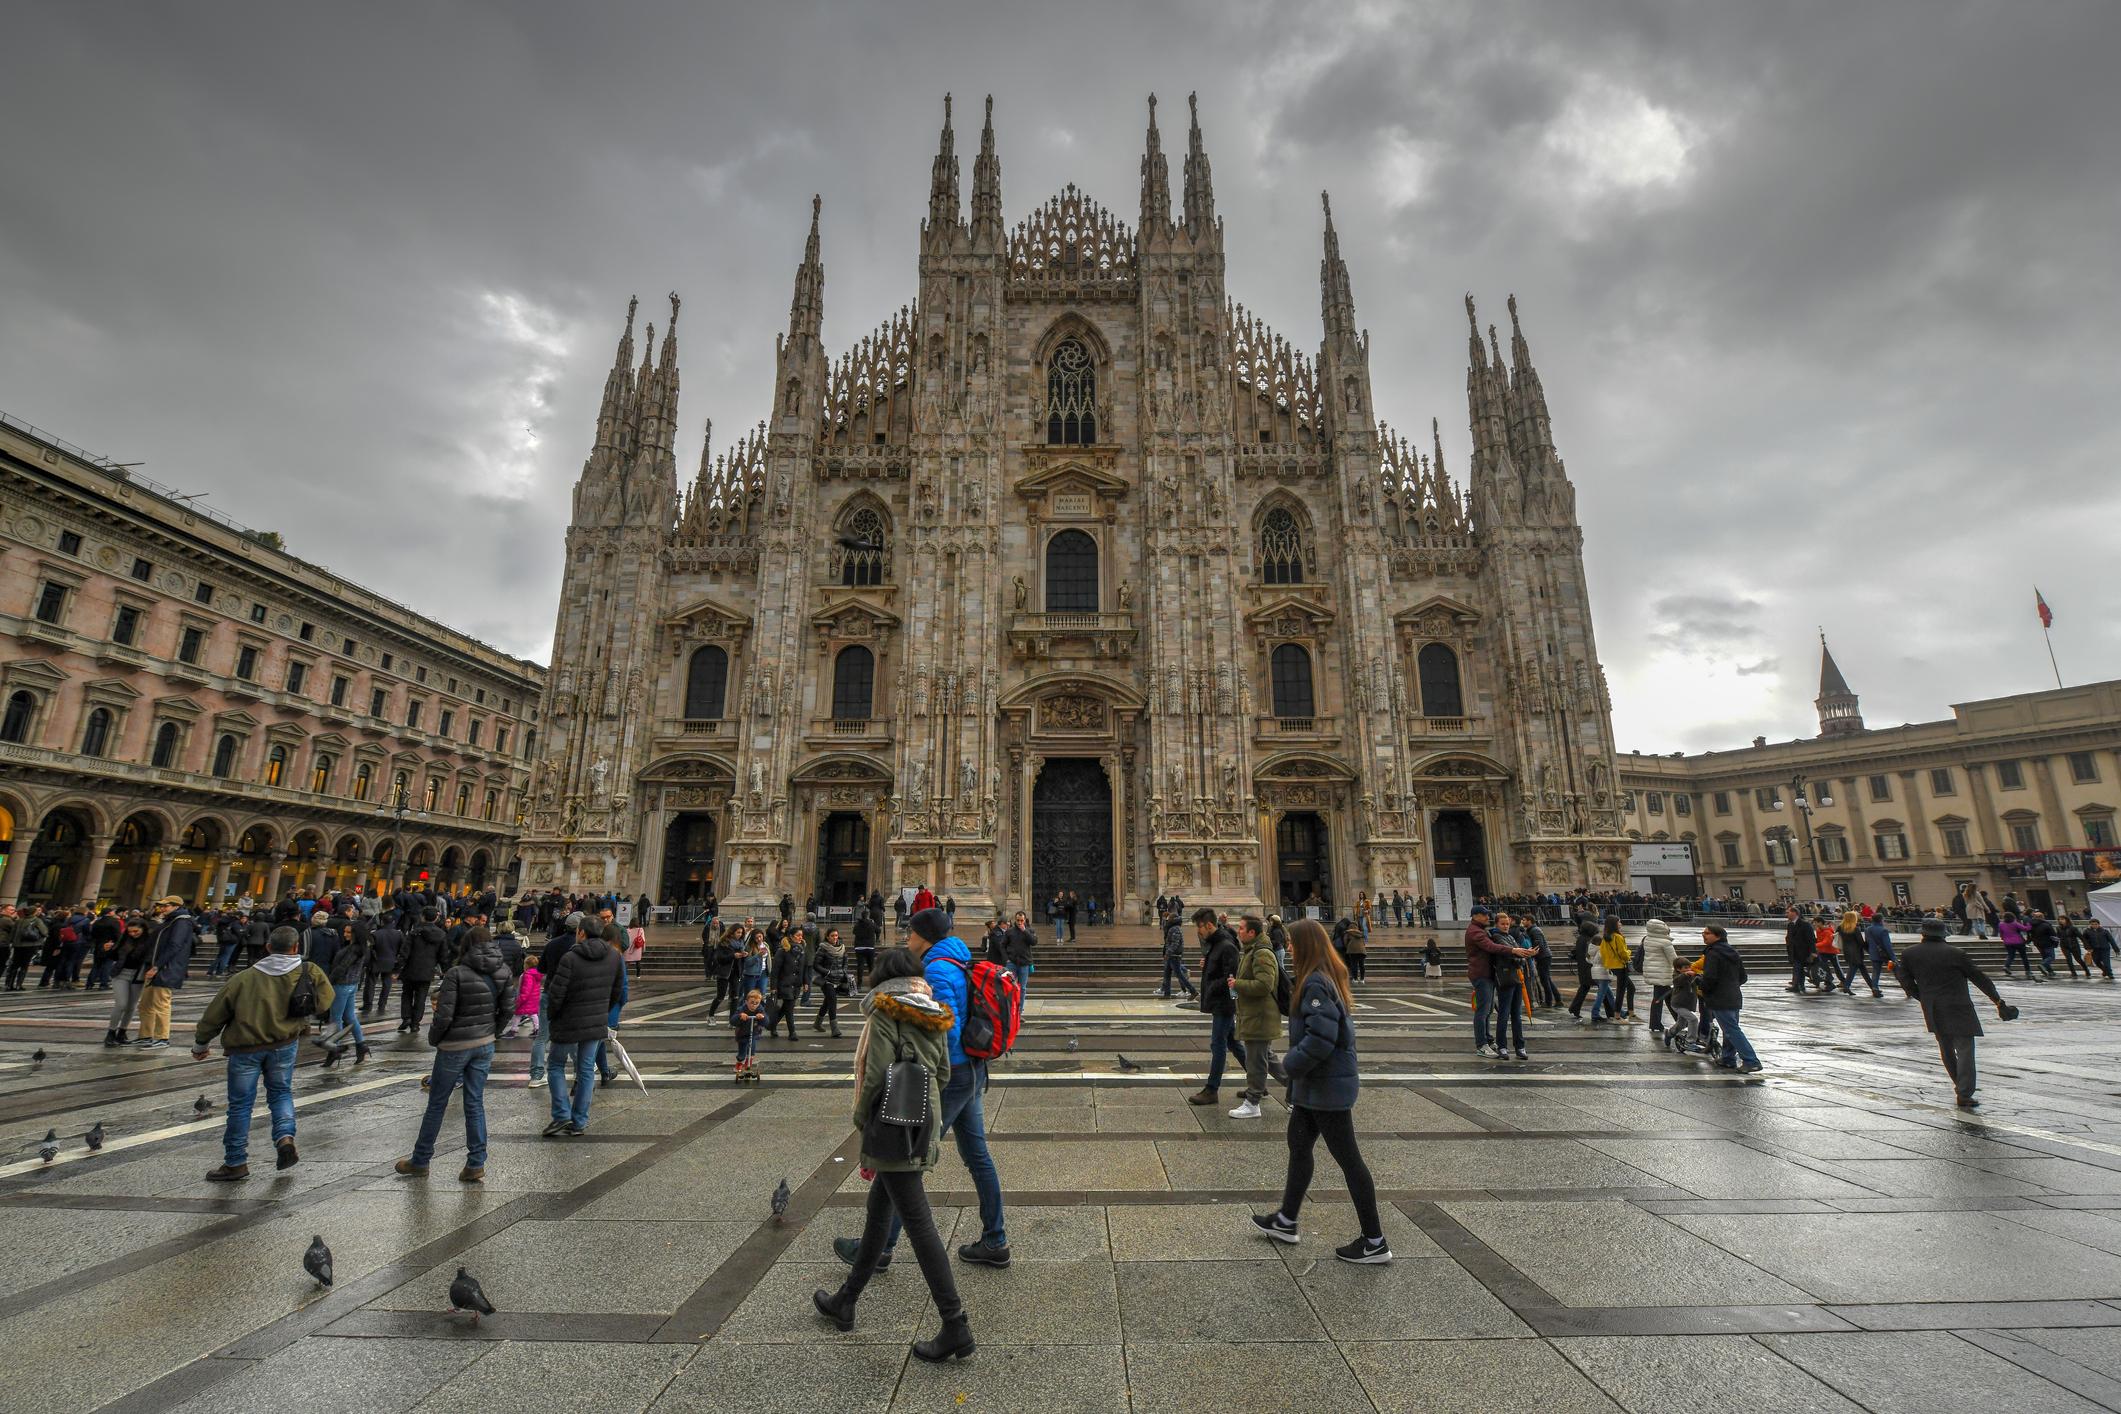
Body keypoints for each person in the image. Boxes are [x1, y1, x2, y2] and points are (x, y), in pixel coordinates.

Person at [811, 945, 974, 1363]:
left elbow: (874, 1077)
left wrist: (862, 1118)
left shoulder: (885, 1013)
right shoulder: (934, 1011)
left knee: (918, 1225)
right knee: (879, 1214)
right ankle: (846, 1300)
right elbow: (942, 1073)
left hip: (892, 1128)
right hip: (921, 1126)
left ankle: (955, 1323)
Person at [834, 907, 1010, 1271]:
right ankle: (995, 1240)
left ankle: (879, 1247)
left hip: (956, 1074)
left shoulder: (937, 968)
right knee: (977, 1157)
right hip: (972, 1070)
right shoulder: (956, 959)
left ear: (926, 936)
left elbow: (946, 1026)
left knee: (902, 1156)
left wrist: (931, 1071)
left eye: (911, 933)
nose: (906, 938)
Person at [1249, 918, 1392, 1264]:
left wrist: (1289, 1066)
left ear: (1306, 946)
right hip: (1316, 1086)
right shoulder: (1319, 978)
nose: (1290, 948)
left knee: (1349, 1159)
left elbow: (1321, 1039)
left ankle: (1374, 1241)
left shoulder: (1316, 983)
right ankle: (1286, 1220)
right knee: (1299, 1145)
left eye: (1294, 944)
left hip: (1326, 1085)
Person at [190, 925, 332, 1180]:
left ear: (268, 947)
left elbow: (214, 1015)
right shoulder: (309, 971)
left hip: (245, 1048)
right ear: (296, 947)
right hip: (284, 1045)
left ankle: (235, 1162)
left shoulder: (244, 978)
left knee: (240, 1106)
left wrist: (201, 1044)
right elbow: (324, 1001)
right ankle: (285, 1138)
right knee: (280, 1093)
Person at [397, 926, 516, 1180]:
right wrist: (492, 1032)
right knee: (474, 1103)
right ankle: (476, 1163)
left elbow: (444, 1015)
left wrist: (435, 1038)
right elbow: (508, 1008)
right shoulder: (504, 971)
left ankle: (421, 1160)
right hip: (484, 1045)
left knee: (437, 1103)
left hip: (454, 1046)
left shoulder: (456, 973)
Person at [1897, 917, 2014, 1109]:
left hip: (1932, 1007)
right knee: (1965, 1050)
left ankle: (1959, 1086)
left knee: (1946, 1048)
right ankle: (1964, 1092)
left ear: (1923, 933)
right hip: (1959, 1006)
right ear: (1943, 934)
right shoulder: (1956, 953)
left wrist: (1923, 997)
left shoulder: (1910, 954)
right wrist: (1997, 1000)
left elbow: (1906, 981)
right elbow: (1979, 978)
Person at [541, 913, 626, 1136]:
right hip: (596, 1020)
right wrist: (603, 1011)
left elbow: (556, 994)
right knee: (587, 1069)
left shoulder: (570, 958)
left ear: (581, 933)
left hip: (568, 1021)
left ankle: (561, 1115)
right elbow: (616, 991)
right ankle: (579, 1122)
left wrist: (553, 1016)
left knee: (557, 1065)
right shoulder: (615, 958)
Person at [1190, 908, 1247, 1106]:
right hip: (1220, 1002)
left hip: (1224, 1003)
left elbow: (1231, 977)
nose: (1198, 932)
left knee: (1218, 1044)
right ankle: (1258, 1081)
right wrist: (1207, 966)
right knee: (1233, 1043)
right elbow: (1219, 969)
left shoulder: (1226, 945)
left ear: (1209, 925)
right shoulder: (1216, 945)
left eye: (1199, 928)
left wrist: (1213, 986)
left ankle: (1212, 1089)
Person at [1228, 916, 1281, 1118]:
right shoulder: (1251, 951)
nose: (1238, 931)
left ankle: (1253, 1102)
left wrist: (1237, 985)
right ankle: (1296, 1092)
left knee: (1256, 1062)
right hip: (1254, 1014)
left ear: (1252, 933)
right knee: (1267, 1058)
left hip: (1260, 1016)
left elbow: (1265, 985)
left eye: (1241, 928)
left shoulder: (1261, 954)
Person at [1463, 907, 1532, 1057]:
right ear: (1475, 916)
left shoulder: (1480, 930)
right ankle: (1481, 1044)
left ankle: (1488, 1039)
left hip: (1487, 973)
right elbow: (1491, 947)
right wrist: (1513, 950)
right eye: (1484, 915)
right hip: (1481, 974)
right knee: (1483, 1010)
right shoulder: (1475, 931)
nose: (1488, 917)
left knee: (1487, 1010)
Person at [1698, 923, 1762, 1073]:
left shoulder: (1713, 953)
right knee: (1729, 1029)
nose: (1703, 935)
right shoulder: (1732, 952)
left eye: (1707, 933)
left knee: (1732, 1030)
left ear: (1717, 936)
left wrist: (1702, 985)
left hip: (1719, 997)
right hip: (1733, 995)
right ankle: (1728, 1058)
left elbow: (1710, 978)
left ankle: (1751, 1060)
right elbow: (1743, 977)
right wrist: (1731, 985)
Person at [136, 896, 196, 1049]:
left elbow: (175, 945)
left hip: (166, 968)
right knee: (146, 1004)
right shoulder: (170, 921)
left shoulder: (181, 921)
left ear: (176, 906)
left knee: (161, 1003)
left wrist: (157, 966)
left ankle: (162, 1037)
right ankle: (145, 1035)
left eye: (165, 906)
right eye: (161, 906)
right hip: (156, 966)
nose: (162, 909)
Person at [318, 918, 373, 1067]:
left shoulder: (354, 949)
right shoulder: (360, 947)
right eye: (345, 931)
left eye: (349, 932)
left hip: (341, 985)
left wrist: (329, 981)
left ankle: (334, 1049)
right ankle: (361, 1045)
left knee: (336, 1018)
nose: (345, 934)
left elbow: (343, 967)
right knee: (349, 1016)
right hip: (351, 984)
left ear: (356, 934)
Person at [103, 915, 154, 1046]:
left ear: (143, 929)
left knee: (131, 1006)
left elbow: (151, 958)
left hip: (138, 976)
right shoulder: (124, 939)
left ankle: (122, 1032)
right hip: (121, 974)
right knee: (121, 1004)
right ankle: (111, 1033)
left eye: (136, 931)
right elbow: (114, 956)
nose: (132, 934)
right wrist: (108, 949)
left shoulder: (149, 942)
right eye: (130, 931)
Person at [398, 909, 447, 1029]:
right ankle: (415, 1023)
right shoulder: (440, 934)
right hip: (428, 969)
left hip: (411, 968)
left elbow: (405, 951)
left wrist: (397, 967)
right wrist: (445, 969)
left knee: (407, 994)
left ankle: (406, 1017)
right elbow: (443, 955)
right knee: (421, 997)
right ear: (436, 918)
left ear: (423, 917)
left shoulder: (415, 932)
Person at [1639, 918, 1681, 1033]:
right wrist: (1683, 968)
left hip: (1654, 972)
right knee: (1660, 999)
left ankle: (1678, 1021)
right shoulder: (1665, 942)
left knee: (1666, 997)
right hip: (1662, 973)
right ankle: (1656, 1023)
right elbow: (1674, 959)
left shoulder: (1647, 939)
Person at [812, 927, 849, 1038]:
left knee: (827, 1002)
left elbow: (845, 962)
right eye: (832, 936)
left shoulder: (842, 948)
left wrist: (844, 971)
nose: (834, 938)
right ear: (827, 937)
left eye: (836, 935)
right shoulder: (823, 948)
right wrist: (827, 972)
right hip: (827, 980)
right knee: (832, 1001)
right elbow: (816, 965)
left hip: (839, 978)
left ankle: (817, 1023)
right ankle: (835, 1028)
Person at [771, 929, 806, 1040]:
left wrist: (805, 982)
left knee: (785, 1008)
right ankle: (792, 1032)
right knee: (789, 1008)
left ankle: (771, 1025)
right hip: (784, 983)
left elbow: (803, 968)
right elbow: (775, 970)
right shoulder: (783, 951)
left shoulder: (801, 951)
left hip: (796, 984)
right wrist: (773, 986)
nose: (800, 937)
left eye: (801, 935)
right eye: (798, 935)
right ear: (791, 936)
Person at [1155, 910, 1198, 1001]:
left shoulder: (1175, 929)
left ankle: (1193, 991)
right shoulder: (1173, 928)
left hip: (1174, 956)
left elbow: (1175, 943)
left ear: (1172, 919)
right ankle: (1167, 994)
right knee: (1167, 975)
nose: (1167, 919)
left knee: (1180, 975)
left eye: (1169, 918)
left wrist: (1168, 953)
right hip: (1171, 955)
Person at [1599, 915, 1634, 1019]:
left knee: (1631, 988)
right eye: (1619, 922)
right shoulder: (1618, 937)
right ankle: (1617, 1015)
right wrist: (1629, 952)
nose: (1621, 924)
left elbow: (1603, 952)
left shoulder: (1606, 937)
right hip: (1621, 965)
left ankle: (1631, 1012)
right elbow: (1623, 953)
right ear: (1614, 924)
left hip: (1612, 966)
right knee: (1621, 991)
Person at [731, 987, 769, 1080]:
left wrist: (762, 1017)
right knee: (742, 1053)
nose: (754, 1005)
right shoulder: (741, 1009)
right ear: (746, 1001)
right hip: (742, 1034)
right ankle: (739, 1063)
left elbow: (766, 1022)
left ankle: (748, 1066)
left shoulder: (760, 1010)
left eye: (756, 1003)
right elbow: (732, 1020)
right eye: (752, 1003)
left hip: (754, 1033)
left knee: (752, 1051)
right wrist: (740, 1016)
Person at [505, 954, 543, 1037]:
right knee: (533, 1014)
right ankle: (537, 1029)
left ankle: (513, 1030)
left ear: (527, 965)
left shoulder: (527, 975)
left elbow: (526, 989)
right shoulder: (535, 974)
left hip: (526, 998)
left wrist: (520, 999)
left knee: (518, 1013)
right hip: (533, 998)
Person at [1003, 911, 1036, 1000]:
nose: (1019, 922)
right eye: (1018, 920)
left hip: (1024, 963)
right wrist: (1006, 958)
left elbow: (1033, 942)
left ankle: (1019, 1010)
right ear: (1015, 919)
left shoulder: (1030, 930)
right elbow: (1002, 945)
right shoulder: (1010, 931)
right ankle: (1010, 1008)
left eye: (1021, 920)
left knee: (1022, 988)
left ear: (1025, 920)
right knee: (1009, 986)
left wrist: (1025, 931)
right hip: (1011, 963)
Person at [1783, 906, 1817, 993]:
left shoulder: (1805, 924)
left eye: (1788, 912)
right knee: (1799, 969)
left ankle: (1796, 985)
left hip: (1803, 951)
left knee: (1798, 968)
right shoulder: (1790, 925)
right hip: (1794, 951)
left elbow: (1811, 939)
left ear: (1795, 913)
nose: (1786, 914)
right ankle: (1800, 985)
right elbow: (1789, 937)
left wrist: (1813, 952)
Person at [2085, 916, 2116, 981]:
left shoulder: (2104, 931)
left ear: (2099, 924)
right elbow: (2085, 941)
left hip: (2105, 949)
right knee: (2097, 962)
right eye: (2092, 924)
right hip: (2094, 949)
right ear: (2090, 925)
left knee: (2106, 962)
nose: (2094, 925)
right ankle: (2105, 970)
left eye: (2096, 924)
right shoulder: (2087, 931)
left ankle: (2110, 974)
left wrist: (2116, 949)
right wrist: (2088, 948)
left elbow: (2111, 940)